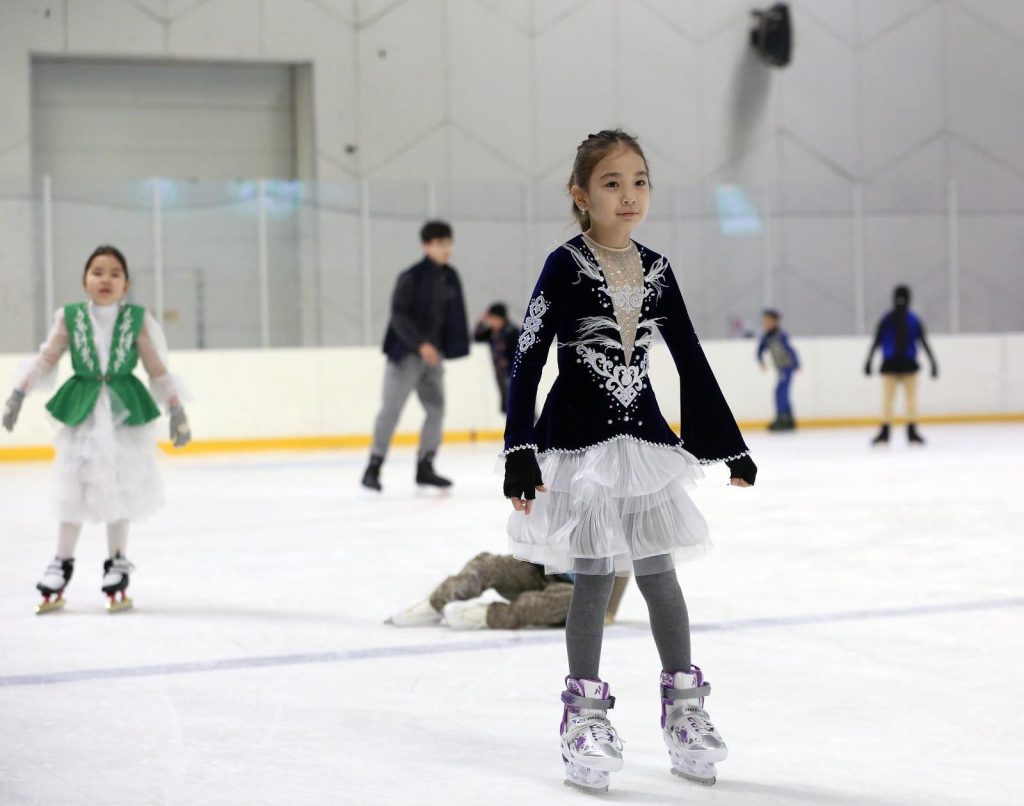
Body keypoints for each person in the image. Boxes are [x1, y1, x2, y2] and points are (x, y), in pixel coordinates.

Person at [501, 130, 756, 794]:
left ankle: (684, 711)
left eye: (639, 181)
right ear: (581, 196)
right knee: (592, 576)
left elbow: (690, 356)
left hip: (642, 443)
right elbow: (527, 359)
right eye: (612, 183)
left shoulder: (659, 269)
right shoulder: (563, 265)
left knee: (658, 573)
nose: (629, 194)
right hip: (579, 446)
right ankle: (583, 716)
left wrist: (727, 443)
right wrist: (518, 451)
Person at [2, 245, 191, 614]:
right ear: (84, 281)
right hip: (83, 411)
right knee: (73, 484)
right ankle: (61, 561)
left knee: (120, 484)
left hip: (124, 413)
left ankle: (117, 559)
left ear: (126, 285)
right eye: (98, 272)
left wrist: (177, 409)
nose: (106, 279)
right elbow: (46, 357)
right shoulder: (70, 317)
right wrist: (17, 394)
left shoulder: (136, 320)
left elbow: (155, 367)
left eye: (115, 274)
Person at [361, 221, 470, 492]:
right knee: (391, 410)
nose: (447, 249)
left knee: (436, 409)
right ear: (426, 245)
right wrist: (420, 344)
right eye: (440, 244)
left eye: (449, 243)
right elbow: (398, 316)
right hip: (405, 356)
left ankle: (425, 465)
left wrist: (448, 347)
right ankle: (373, 466)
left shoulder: (449, 277)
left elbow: (452, 315)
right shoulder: (411, 277)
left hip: (434, 358)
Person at [387, 553, 631, 630]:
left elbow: (625, 562)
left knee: (556, 603)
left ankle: (487, 616)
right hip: (539, 569)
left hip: (582, 591)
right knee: (489, 566)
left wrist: (606, 610)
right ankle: (435, 603)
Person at [864, 284, 938, 445]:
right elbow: (877, 340)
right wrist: (868, 360)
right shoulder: (889, 320)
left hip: (906, 365)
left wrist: (933, 362)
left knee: (907, 399)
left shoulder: (911, 320)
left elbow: (922, 341)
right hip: (892, 365)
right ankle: (887, 430)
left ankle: (909, 430)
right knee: (890, 399)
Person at [757, 308, 799, 431]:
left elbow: (790, 349)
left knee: (781, 392)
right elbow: (760, 349)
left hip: (787, 367)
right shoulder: (767, 337)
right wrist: (760, 360)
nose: (766, 324)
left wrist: (796, 362)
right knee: (780, 392)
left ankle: (784, 418)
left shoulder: (781, 335)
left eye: (768, 321)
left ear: (775, 322)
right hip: (780, 369)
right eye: (764, 321)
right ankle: (787, 419)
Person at [473, 302, 520, 413]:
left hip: (513, 374)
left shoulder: (513, 332)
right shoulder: (492, 332)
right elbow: (477, 337)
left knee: (520, 403)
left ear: (500, 318)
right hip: (501, 375)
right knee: (508, 406)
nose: (490, 321)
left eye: (492, 318)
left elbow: (518, 356)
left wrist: (514, 374)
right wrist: (482, 321)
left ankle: (531, 423)